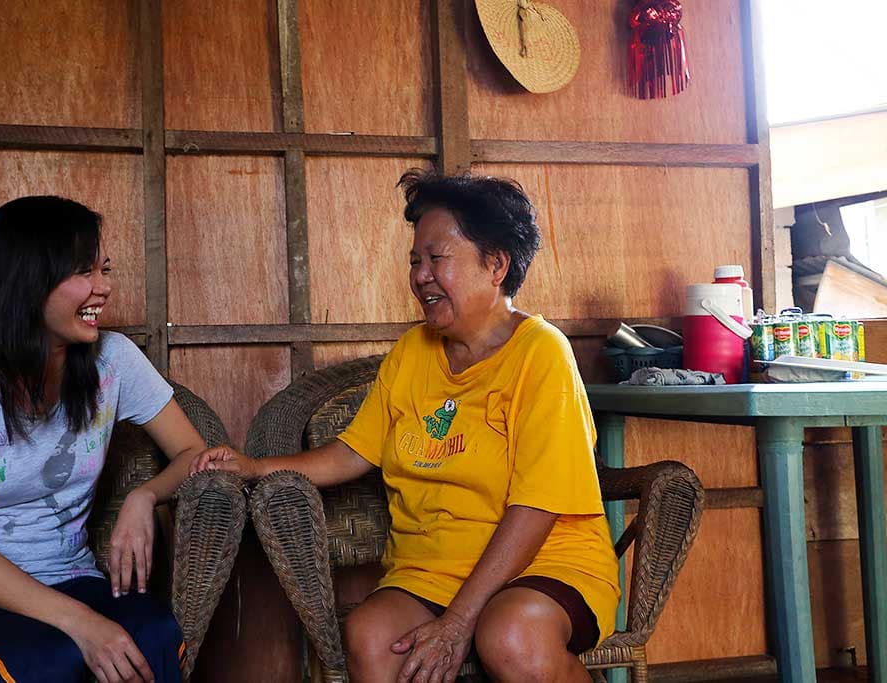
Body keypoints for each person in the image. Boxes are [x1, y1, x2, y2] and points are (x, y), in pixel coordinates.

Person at [191, 171, 620, 682]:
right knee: (372, 637)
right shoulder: (412, 352)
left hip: (542, 565)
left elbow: (538, 505)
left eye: (437, 259)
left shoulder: (541, 354)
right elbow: (353, 452)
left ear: (496, 265)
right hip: (431, 569)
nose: (420, 275)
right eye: (415, 261)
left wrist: (460, 619)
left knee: (511, 637)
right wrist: (254, 466)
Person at [0, 196, 208, 683]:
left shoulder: (115, 360)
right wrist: (83, 624)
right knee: (50, 663)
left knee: (154, 636)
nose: (103, 288)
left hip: (72, 577)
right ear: (28, 281)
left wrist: (144, 497)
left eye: (104, 269)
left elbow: (194, 452)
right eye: (84, 272)